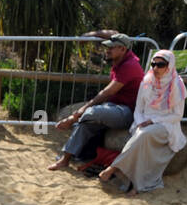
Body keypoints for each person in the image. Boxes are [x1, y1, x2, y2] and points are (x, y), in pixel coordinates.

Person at [49, 32, 143, 173]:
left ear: (123, 49)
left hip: (127, 112)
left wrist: (75, 115)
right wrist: (91, 34)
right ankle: (65, 159)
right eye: (108, 47)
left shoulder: (130, 65)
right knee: (86, 123)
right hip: (114, 107)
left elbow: (107, 92)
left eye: (111, 48)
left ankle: (73, 127)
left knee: (91, 112)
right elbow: (111, 33)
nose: (107, 50)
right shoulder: (123, 58)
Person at [99, 49, 187, 195]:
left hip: (166, 124)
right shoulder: (147, 81)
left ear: (170, 65)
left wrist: (152, 121)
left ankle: (114, 168)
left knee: (143, 135)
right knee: (142, 136)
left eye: (161, 64)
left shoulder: (176, 84)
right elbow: (138, 109)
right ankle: (136, 185)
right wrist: (141, 122)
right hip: (144, 121)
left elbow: (177, 115)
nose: (156, 68)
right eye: (153, 64)